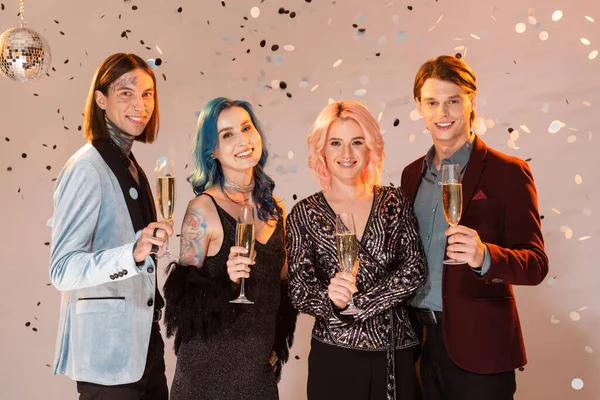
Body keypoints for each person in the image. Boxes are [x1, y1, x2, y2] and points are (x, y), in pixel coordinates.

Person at [401, 55, 549, 400]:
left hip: (481, 350)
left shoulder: (508, 172)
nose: (443, 113)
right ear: (419, 108)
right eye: (432, 103)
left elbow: (536, 264)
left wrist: (485, 256)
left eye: (453, 101)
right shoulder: (411, 175)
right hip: (415, 345)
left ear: (472, 102)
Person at [49, 53, 173, 400]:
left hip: (145, 348)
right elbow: (62, 269)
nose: (141, 103)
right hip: (107, 358)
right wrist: (130, 254)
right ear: (101, 100)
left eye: (148, 94)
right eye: (126, 93)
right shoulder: (86, 168)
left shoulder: (132, 165)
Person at [286, 100, 427, 400]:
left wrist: (360, 304)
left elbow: (414, 270)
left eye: (357, 142)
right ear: (322, 149)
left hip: (394, 353)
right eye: (336, 142)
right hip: (335, 357)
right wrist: (330, 300)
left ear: (370, 148)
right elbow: (298, 289)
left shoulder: (395, 202)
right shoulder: (304, 213)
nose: (346, 154)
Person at [163, 97, 297, 400]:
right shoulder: (202, 209)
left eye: (246, 128)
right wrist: (227, 283)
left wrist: (276, 344)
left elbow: (281, 291)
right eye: (227, 135)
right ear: (212, 150)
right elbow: (180, 307)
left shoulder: (275, 210)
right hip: (205, 381)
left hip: (257, 381)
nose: (243, 140)